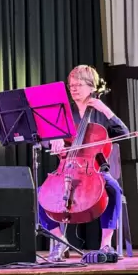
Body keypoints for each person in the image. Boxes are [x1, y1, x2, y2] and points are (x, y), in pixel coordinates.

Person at [39, 65, 129, 262]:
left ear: (92, 87)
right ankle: (60, 241)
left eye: (79, 85)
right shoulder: (65, 111)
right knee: (41, 195)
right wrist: (54, 140)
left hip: (95, 171)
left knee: (113, 189)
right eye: (71, 85)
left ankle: (106, 243)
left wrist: (107, 111)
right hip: (66, 169)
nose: (74, 89)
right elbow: (45, 137)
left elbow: (123, 133)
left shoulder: (99, 112)